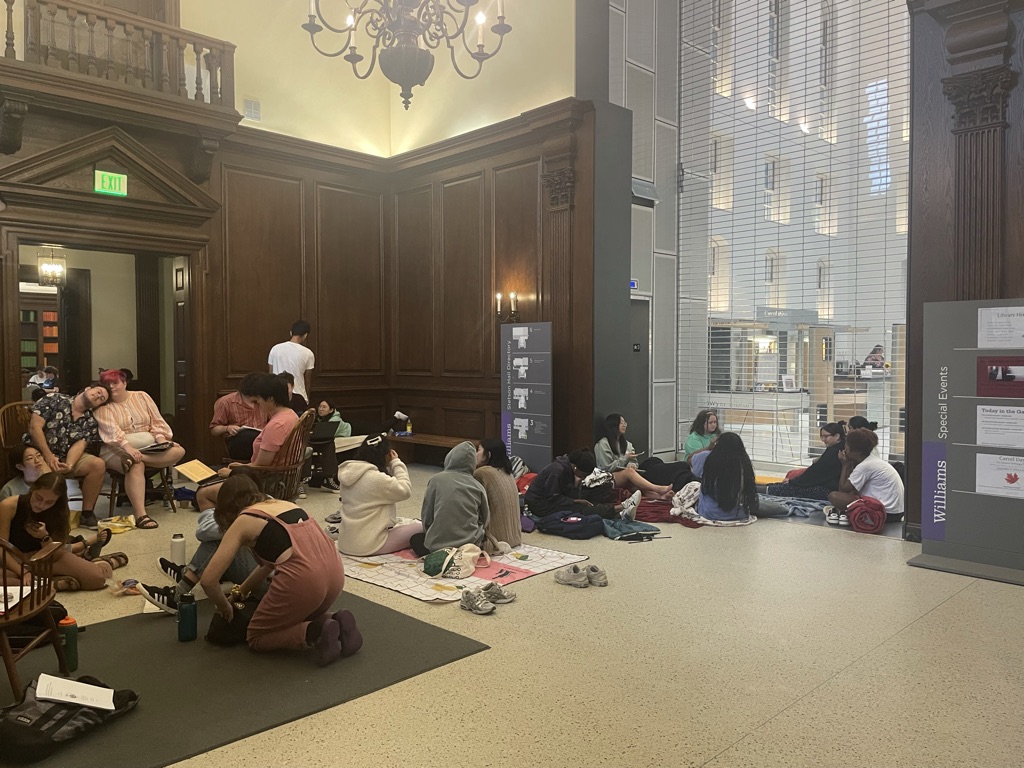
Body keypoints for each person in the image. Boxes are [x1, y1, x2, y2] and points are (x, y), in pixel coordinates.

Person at [199, 474, 359, 666]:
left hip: (304, 581)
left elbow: (208, 581)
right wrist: (241, 592)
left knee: (257, 637)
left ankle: (315, 631)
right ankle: (335, 620)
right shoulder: (285, 505)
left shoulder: (244, 520)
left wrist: (224, 607)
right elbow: (266, 565)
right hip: (336, 573)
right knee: (298, 615)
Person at [141, 468, 270, 615]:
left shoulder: (251, 516)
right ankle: (185, 577)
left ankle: (180, 589)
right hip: (273, 576)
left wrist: (224, 607)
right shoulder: (269, 504)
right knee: (225, 539)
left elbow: (203, 533)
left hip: (267, 582)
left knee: (219, 541)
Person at [0, 473, 127, 591]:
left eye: (49, 502)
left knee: (96, 579)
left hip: (44, 558)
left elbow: (57, 553)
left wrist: (44, 537)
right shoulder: (9, 505)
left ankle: (44, 582)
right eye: (38, 498)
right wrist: (24, 572)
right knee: (7, 583)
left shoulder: (58, 511)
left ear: (57, 501)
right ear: (33, 489)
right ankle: (53, 583)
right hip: (13, 561)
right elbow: (2, 548)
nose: (41, 505)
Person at [94, 369, 185, 530]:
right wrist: (128, 449)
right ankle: (141, 514)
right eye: (107, 384)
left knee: (179, 451)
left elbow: (157, 421)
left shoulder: (141, 396)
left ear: (124, 383)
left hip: (147, 447)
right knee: (135, 465)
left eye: (115, 383)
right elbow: (112, 433)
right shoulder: (103, 406)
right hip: (116, 449)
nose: (111, 387)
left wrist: (162, 442)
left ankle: (140, 457)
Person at [195, 373, 299, 511]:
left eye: (259, 400)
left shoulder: (277, 425)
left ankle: (225, 530)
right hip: (281, 477)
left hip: (267, 482)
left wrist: (233, 473)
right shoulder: (291, 415)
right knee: (213, 474)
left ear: (271, 399)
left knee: (203, 493)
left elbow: (261, 465)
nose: (258, 404)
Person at [22, 383, 110, 530]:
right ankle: (40, 516)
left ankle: (87, 514)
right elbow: (34, 427)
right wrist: (48, 456)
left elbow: (79, 445)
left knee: (98, 465)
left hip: (64, 455)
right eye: (98, 392)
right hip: (38, 450)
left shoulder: (90, 421)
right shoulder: (54, 399)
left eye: (102, 398)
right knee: (46, 472)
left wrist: (69, 465)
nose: (98, 396)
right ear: (88, 389)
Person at [1, 446, 112, 559]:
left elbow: (59, 514)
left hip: (47, 533)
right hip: (21, 538)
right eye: (30, 458)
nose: (37, 460)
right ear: (20, 466)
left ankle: (83, 551)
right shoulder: (10, 490)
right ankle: (84, 546)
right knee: (56, 550)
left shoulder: (52, 483)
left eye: (39, 456)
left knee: (59, 543)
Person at [332, 433, 421, 556]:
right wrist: (396, 463)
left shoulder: (348, 472)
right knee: (422, 528)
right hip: (368, 545)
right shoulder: (375, 478)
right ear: (386, 455)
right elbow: (405, 490)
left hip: (345, 542)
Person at [683, 432, 788, 521]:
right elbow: (749, 494)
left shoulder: (705, 457)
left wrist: (708, 448)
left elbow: (689, 459)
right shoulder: (742, 463)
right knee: (782, 509)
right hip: (737, 514)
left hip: (707, 512)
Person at [410, 441, 490, 556]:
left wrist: (431, 532)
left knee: (415, 539)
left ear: (450, 457)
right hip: (469, 544)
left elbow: (427, 515)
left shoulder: (436, 480)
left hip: (437, 544)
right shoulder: (478, 486)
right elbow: (485, 518)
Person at [523, 448, 641, 523]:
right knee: (580, 509)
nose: (584, 477)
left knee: (591, 497)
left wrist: (578, 492)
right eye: (584, 474)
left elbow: (569, 492)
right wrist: (575, 501)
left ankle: (618, 513)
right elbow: (553, 497)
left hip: (555, 498)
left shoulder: (569, 469)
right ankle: (621, 507)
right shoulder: (556, 471)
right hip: (540, 504)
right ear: (575, 467)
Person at [827, 428, 905, 525]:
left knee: (833, 496)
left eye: (846, 446)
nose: (845, 449)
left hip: (886, 513)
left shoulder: (865, 466)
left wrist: (845, 464)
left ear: (853, 450)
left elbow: (843, 489)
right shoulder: (871, 460)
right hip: (896, 512)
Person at [593, 414, 674, 498]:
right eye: (621, 423)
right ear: (613, 425)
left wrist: (632, 465)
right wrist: (625, 458)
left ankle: (661, 496)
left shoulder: (627, 444)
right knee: (630, 473)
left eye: (625, 423)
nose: (625, 425)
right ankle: (657, 488)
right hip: (607, 478)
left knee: (636, 480)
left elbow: (634, 461)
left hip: (625, 476)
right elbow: (606, 468)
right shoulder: (603, 444)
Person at [765, 422, 847, 500]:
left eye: (826, 436)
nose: (823, 440)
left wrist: (793, 481)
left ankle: (764, 489)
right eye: (822, 437)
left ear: (836, 436)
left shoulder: (834, 451)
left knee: (787, 488)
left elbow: (815, 472)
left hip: (826, 490)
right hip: (828, 487)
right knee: (784, 486)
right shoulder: (840, 448)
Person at [210, 372, 270, 461]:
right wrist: (227, 428)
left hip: (263, 439)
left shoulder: (265, 401)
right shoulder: (226, 402)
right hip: (240, 443)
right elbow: (214, 430)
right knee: (247, 436)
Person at [474, 438, 522, 549]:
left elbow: (474, 506)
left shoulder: (482, 473)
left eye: (479, 450)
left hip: (496, 540)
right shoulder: (507, 472)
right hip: (515, 537)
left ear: (488, 454)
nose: (476, 454)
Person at [308, 399, 351, 492]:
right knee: (328, 444)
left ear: (331, 410)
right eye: (320, 406)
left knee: (378, 428)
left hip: (351, 429)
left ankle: (329, 479)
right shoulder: (316, 417)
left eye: (324, 407)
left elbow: (330, 433)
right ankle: (302, 481)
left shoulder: (335, 419)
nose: (321, 409)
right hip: (315, 440)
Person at [268, 320, 315, 404]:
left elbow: (271, 374)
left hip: (277, 395)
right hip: (299, 396)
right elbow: (308, 380)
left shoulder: (275, 349)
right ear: (305, 335)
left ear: (291, 333)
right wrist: (307, 398)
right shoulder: (308, 353)